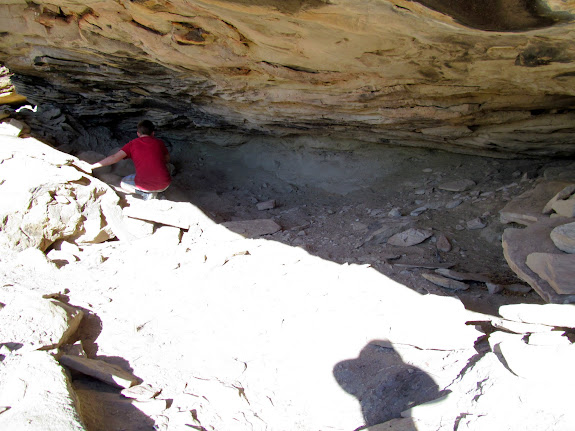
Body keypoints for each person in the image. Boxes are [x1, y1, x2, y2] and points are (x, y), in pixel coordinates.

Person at [91, 120, 171, 200]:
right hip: (165, 184)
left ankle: (145, 194)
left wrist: (92, 166)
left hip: (145, 185)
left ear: (138, 134)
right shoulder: (160, 143)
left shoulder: (132, 144)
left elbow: (114, 158)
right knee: (166, 166)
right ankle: (159, 190)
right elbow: (167, 159)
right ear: (153, 133)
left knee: (123, 183)